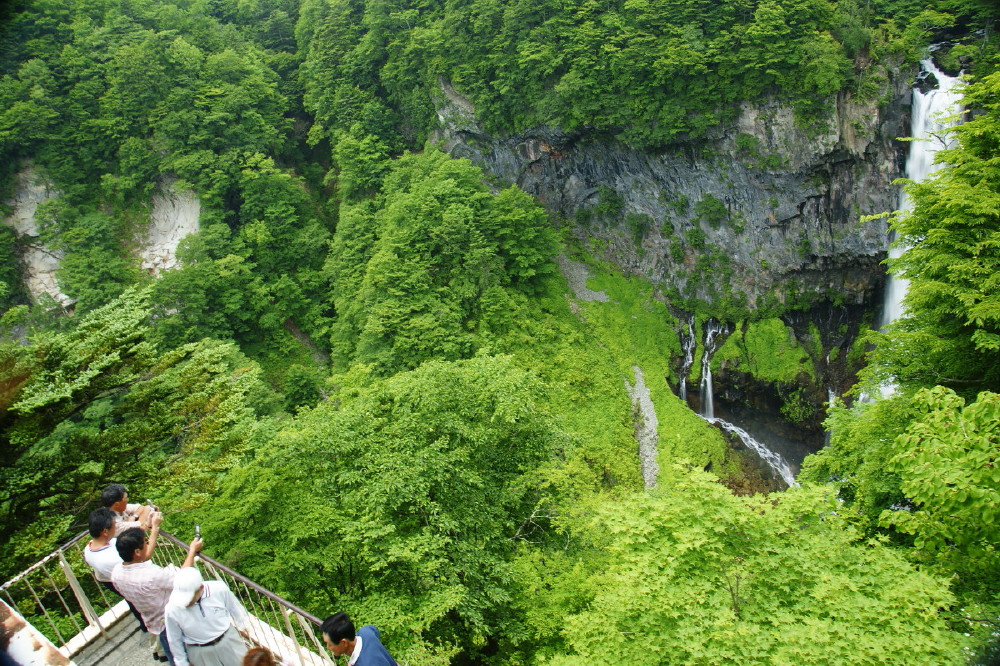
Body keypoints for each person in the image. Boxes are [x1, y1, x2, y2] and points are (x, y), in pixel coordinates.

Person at [111, 511, 202, 666]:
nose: (148, 543)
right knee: (193, 658)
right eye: (145, 542)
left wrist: (155, 529)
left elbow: (143, 557)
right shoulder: (152, 575)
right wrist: (192, 551)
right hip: (174, 622)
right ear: (137, 552)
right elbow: (182, 577)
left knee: (177, 660)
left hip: (155, 623)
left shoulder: (116, 573)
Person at [83, 508, 161, 655]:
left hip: (109, 580)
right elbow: (144, 556)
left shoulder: (91, 547)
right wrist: (155, 529)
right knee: (148, 609)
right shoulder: (110, 558)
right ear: (105, 531)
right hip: (129, 583)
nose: (117, 527)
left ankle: (146, 627)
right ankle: (158, 641)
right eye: (114, 525)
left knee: (133, 604)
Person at [164, 567, 249, 666]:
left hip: (229, 641)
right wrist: (182, 663)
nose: (185, 602)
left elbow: (235, 610)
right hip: (199, 651)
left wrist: (243, 628)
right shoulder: (172, 609)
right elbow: (174, 639)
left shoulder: (219, 589)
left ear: (201, 588)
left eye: (189, 598)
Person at [320, 613, 397, 666]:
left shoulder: (367, 663)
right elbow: (374, 629)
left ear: (344, 642)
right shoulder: (366, 632)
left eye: (329, 644)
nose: (327, 647)